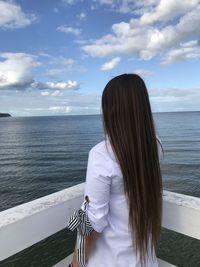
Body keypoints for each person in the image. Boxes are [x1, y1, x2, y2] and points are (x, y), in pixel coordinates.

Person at [67, 73, 164, 267]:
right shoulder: (155, 146)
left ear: (110, 110)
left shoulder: (102, 154)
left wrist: (74, 265)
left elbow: (93, 223)